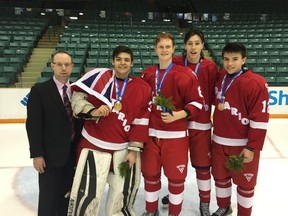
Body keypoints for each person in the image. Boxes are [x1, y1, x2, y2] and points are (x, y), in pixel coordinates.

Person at [68, 45, 152, 216]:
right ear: (113, 61)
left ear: (132, 63)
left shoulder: (142, 88)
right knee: (88, 196)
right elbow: (77, 98)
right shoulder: (97, 77)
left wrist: (134, 150)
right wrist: (93, 111)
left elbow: (141, 121)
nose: (123, 63)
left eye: (126, 60)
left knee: (120, 197)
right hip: (93, 145)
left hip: (122, 150)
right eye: (119, 59)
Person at [140, 32, 204, 216]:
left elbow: (197, 103)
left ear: (174, 49)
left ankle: (174, 213)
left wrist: (178, 115)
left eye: (168, 47)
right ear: (155, 49)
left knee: (176, 179)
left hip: (176, 138)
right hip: (152, 136)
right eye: (161, 47)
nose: (164, 50)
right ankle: (151, 211)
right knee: (150, 175)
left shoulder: (185, 74)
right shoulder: (148, 73)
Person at [161, 29, 219, 216]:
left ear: (203, 45)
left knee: (203, 168)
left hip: (200, 127)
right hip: (177, 126)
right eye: (190, 43)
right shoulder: (176, 62)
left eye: (197, 43)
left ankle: (204, 203)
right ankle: (174, 196)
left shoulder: (210, 67)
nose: (193, 47)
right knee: (175, 167)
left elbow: (215, 95)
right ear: (184, 45)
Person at [211, 42, 269, 216]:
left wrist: (252, 147)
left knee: (245, 184)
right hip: (219, 141)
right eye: (226, 59)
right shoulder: (220, 78)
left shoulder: (255, 83)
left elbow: (260, 119)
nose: (230, 63)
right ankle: (224, 207)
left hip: (243, 145)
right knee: (221, 178)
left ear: (244, 60)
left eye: (235, 59)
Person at [26, 50, 83, 216]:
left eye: (67, 65)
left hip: (73, 155)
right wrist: (37, 154)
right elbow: (33, 125)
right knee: (48, 198)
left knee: (67, 197)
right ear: (52, 66)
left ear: (72, 67)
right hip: (49, 156)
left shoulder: (78, 91)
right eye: (59, 64)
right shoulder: (40, 90)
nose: (63, 68)